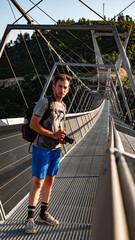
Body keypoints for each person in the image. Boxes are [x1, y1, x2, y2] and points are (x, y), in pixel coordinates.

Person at [25, 74, 71, 234]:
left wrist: (61, 138)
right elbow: (33, 124)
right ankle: (30, 219)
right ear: (54, 87)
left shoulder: (63, 106)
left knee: (50, 181)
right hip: (42, 149)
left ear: (68, 89)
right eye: (60, 86)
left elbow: (57, 128)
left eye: (65, 87)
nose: (62, 89)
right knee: (38, 182)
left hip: (55, 150)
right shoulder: (45, 102)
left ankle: (43, 214)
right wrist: (52, 135)